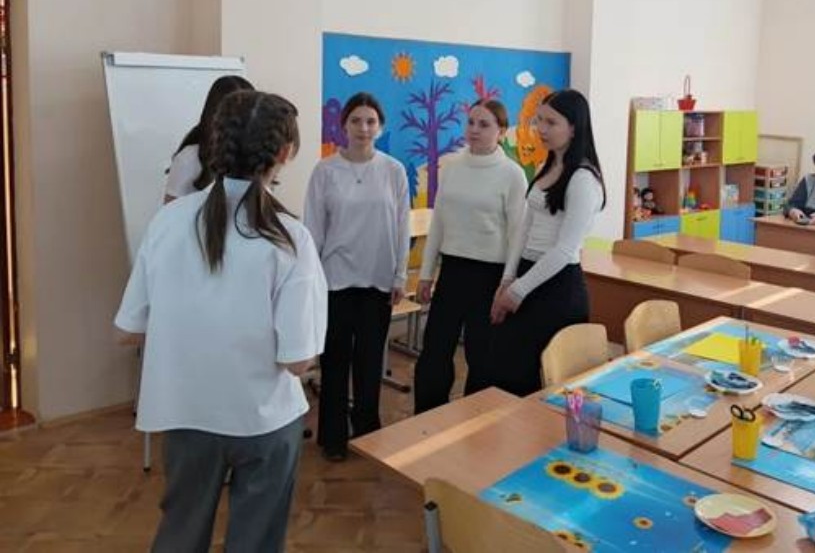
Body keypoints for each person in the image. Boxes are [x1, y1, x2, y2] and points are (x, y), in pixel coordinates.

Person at [114, 91, 327, 553]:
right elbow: (297, 362)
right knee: (255, 541)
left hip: (184, 413)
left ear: (216, 143)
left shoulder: (168, 221)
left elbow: (127, 331)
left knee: (180, 534)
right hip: (263, 419)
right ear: (284, 153)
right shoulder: (290, 238)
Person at [304, 92, 410, 460]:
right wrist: (312, 282)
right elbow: (313, 230)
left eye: (370, 121)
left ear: (380, 127)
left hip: (378, 282)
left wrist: (400, 276)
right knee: (335, 363)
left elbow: (402, 227)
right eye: (356, 121)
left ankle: (367, 432)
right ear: (343, 125)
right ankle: (332, 437)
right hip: (334, 281)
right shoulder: (325, 171)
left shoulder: (393, 171)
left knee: (369, 363)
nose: (363, 128)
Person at [489, 89, 606, 397]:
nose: (541, 129)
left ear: (574, 128)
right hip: (527, 275)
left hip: (557, 286)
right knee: (508, 373)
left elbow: (565, 250)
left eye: (551, 122)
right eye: (539, 120)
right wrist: (507, 279)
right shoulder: (548, 166)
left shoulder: (583, 179)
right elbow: (523, 229)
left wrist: (517, 291)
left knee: (542, 384)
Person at [413, 99, 527, 413]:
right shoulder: (452, 167)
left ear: (501, 131)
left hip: (490, 276)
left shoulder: (512, 174)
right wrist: (426, 274)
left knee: (482, 357)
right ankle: (427, 420)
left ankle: (475, 424)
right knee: (434, 352)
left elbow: (517, 235)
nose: (474, 130)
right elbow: (439, 223)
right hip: (452, 271)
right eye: (471, 122)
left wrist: (508, 282)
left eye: (484, 124)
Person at [164, 75, 254, 202]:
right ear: (215, 113)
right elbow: (170, 209)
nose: (241, 120)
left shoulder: (256, 154)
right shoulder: (190, 157)